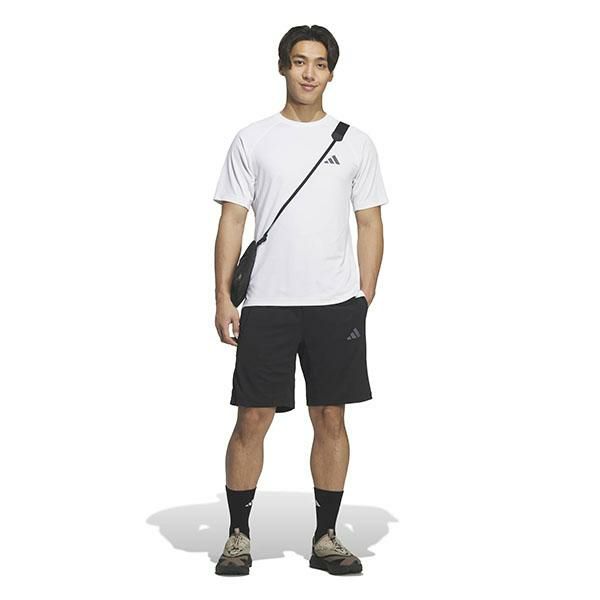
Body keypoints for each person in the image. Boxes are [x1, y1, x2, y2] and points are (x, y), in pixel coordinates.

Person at [211, 24, 389, 576]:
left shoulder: (354, 142)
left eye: (319, 63)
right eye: (299, 61)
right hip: (266, 303)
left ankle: (326, 537)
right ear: (283, 67)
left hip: (335, 305)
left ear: (331, 72)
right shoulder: (253, 139)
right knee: (253, 417)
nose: (309, 73)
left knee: (331, 416)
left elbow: (369, 222)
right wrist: (222, 298)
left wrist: (363, 295)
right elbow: (232, 221)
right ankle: (238, 535)